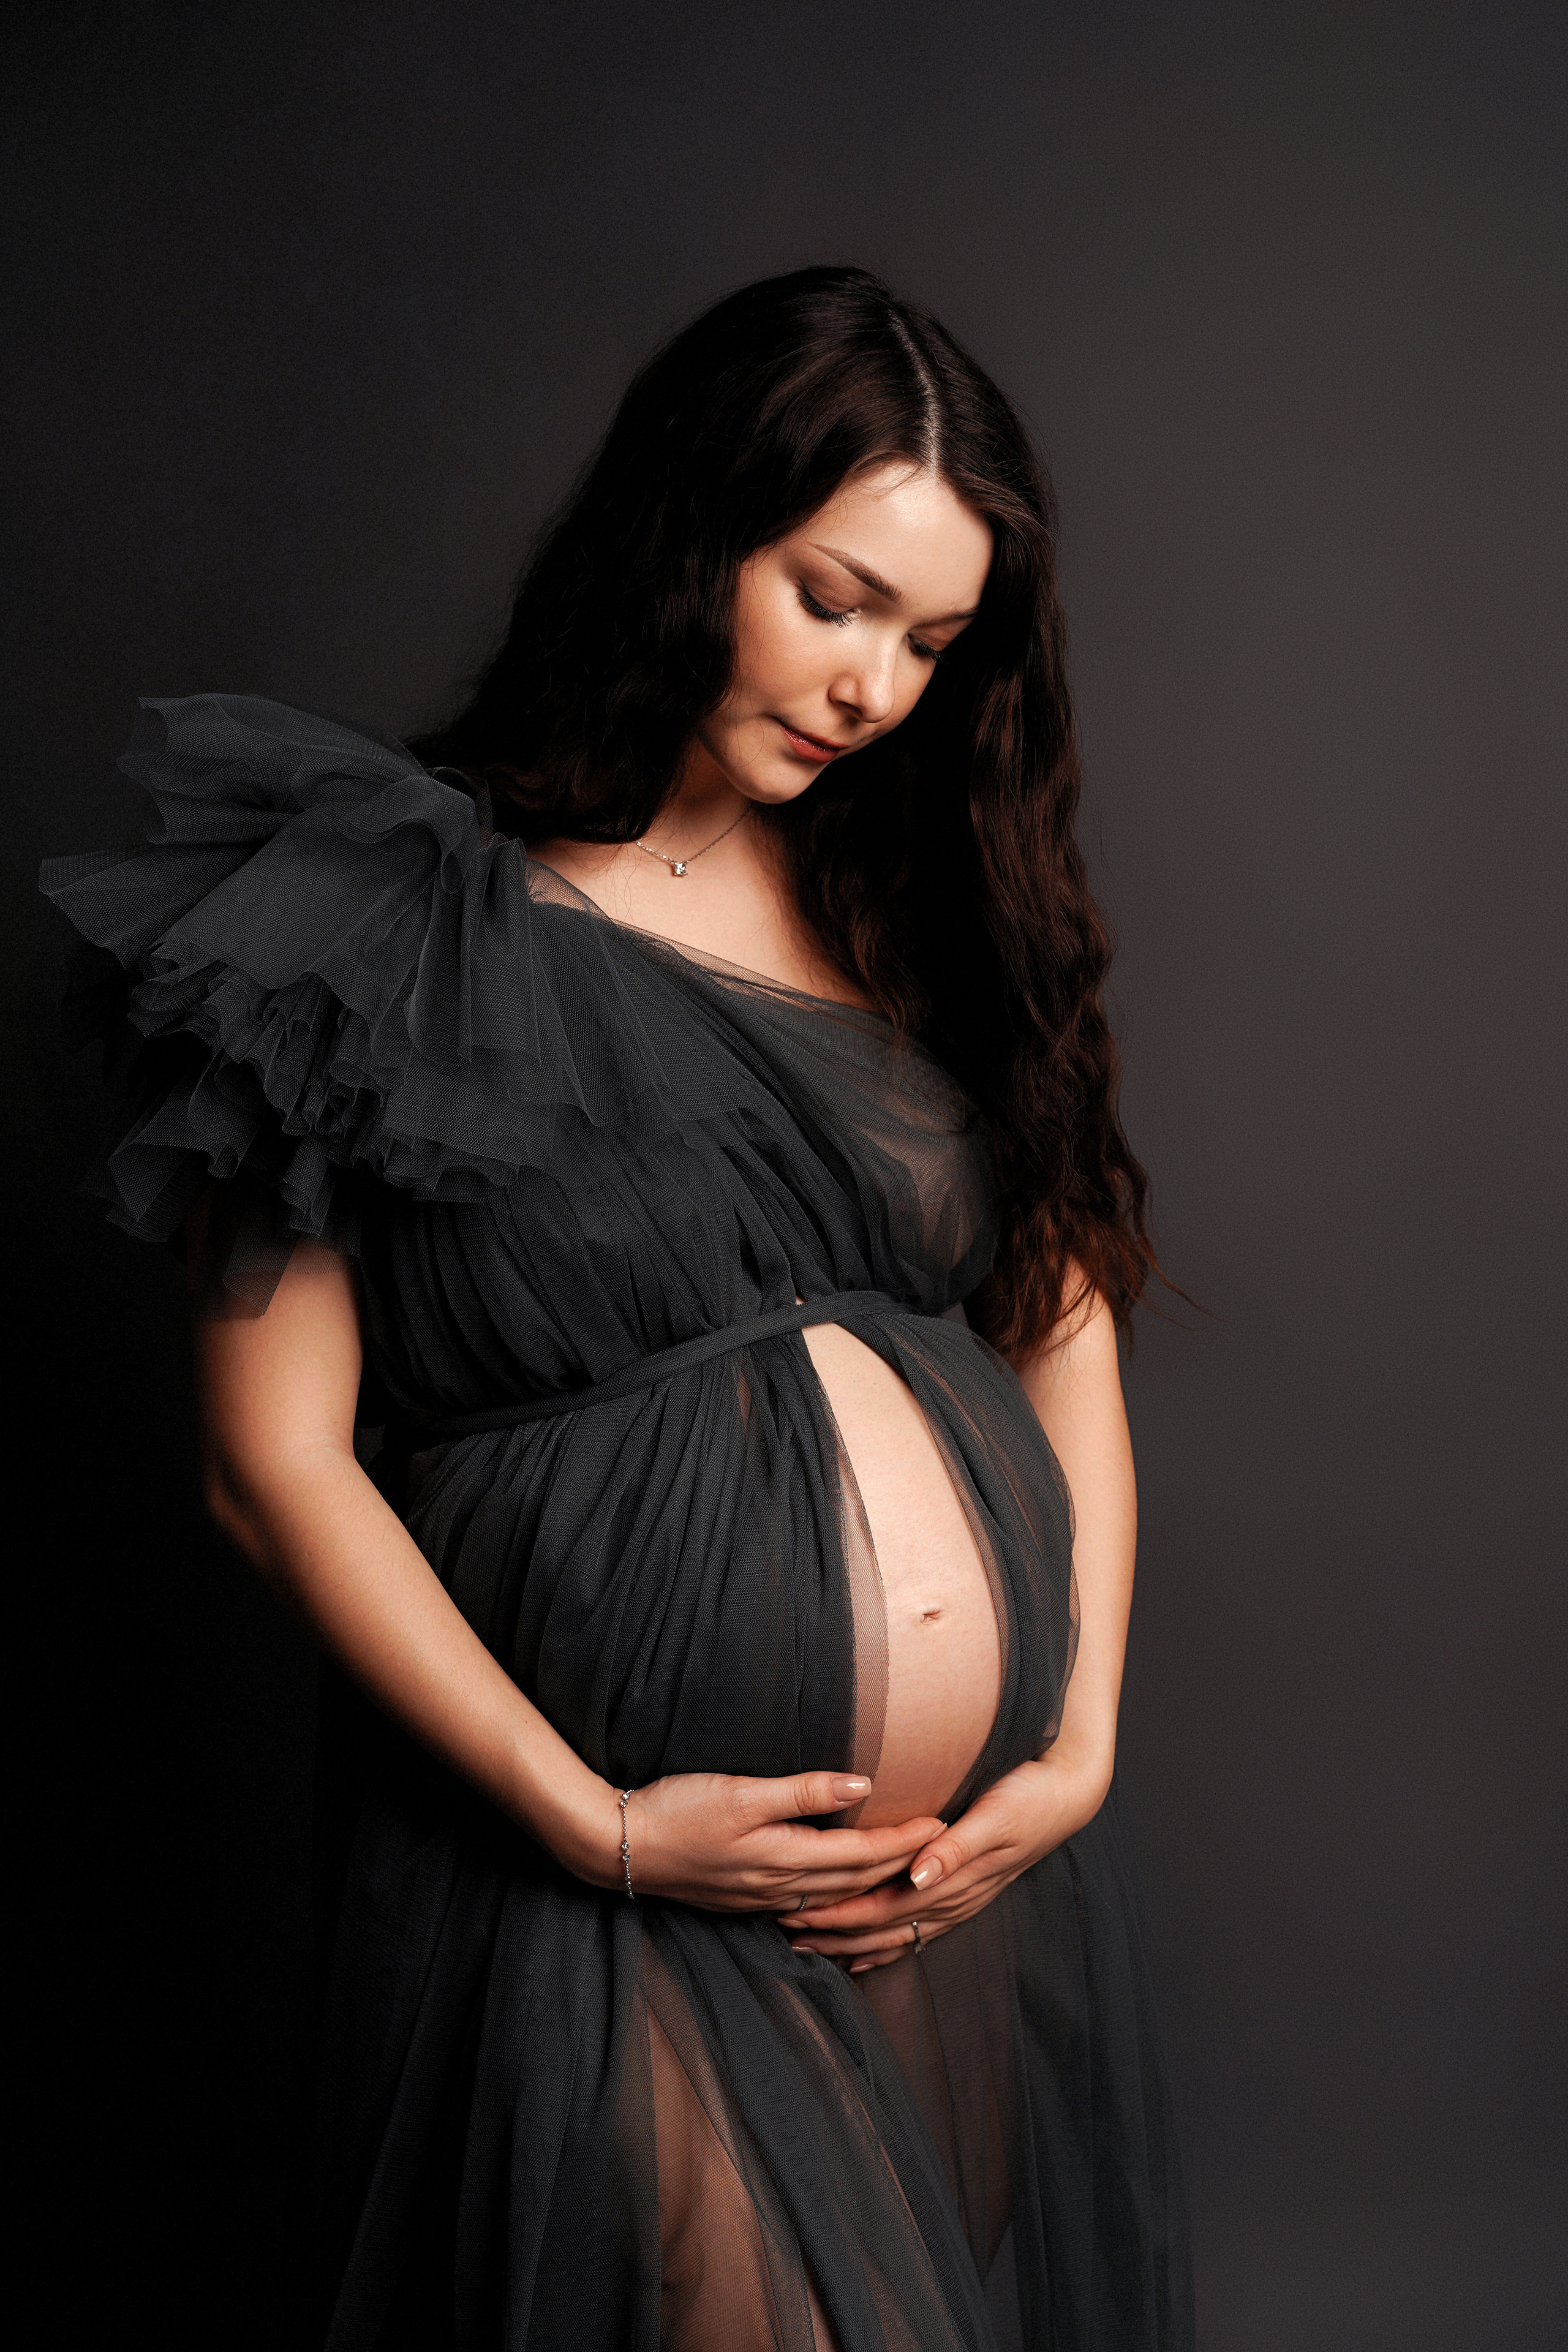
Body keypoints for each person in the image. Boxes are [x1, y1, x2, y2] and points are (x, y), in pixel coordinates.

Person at [42, 266, 1194, 2351]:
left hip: (937, 1878)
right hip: (615, 1863)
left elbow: (1063, 1325)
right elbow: (269, 1461)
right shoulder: (387, 911)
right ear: (694, 531)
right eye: (836, 600)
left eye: (934, 642)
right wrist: (601, 1825)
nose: (876, 687)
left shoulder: (916, 908)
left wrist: (1084, 1738)